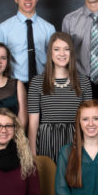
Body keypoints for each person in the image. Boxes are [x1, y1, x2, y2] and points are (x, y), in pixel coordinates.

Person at [27, 32, 92, 161]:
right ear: (50, 53)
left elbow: (88, 119)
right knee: (48, 179)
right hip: (47, 140)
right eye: (57, 49)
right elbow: (33, 123)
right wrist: (32, 154)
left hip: (75, 139)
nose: (62, 54)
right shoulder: (37, 82)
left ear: (72, 53)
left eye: (66, 49)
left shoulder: (84, 82)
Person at [0, 0, 56, 87]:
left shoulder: (49, 29)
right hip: (13, 85)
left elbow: (54, 60)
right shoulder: (3, 28)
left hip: (42, 85)